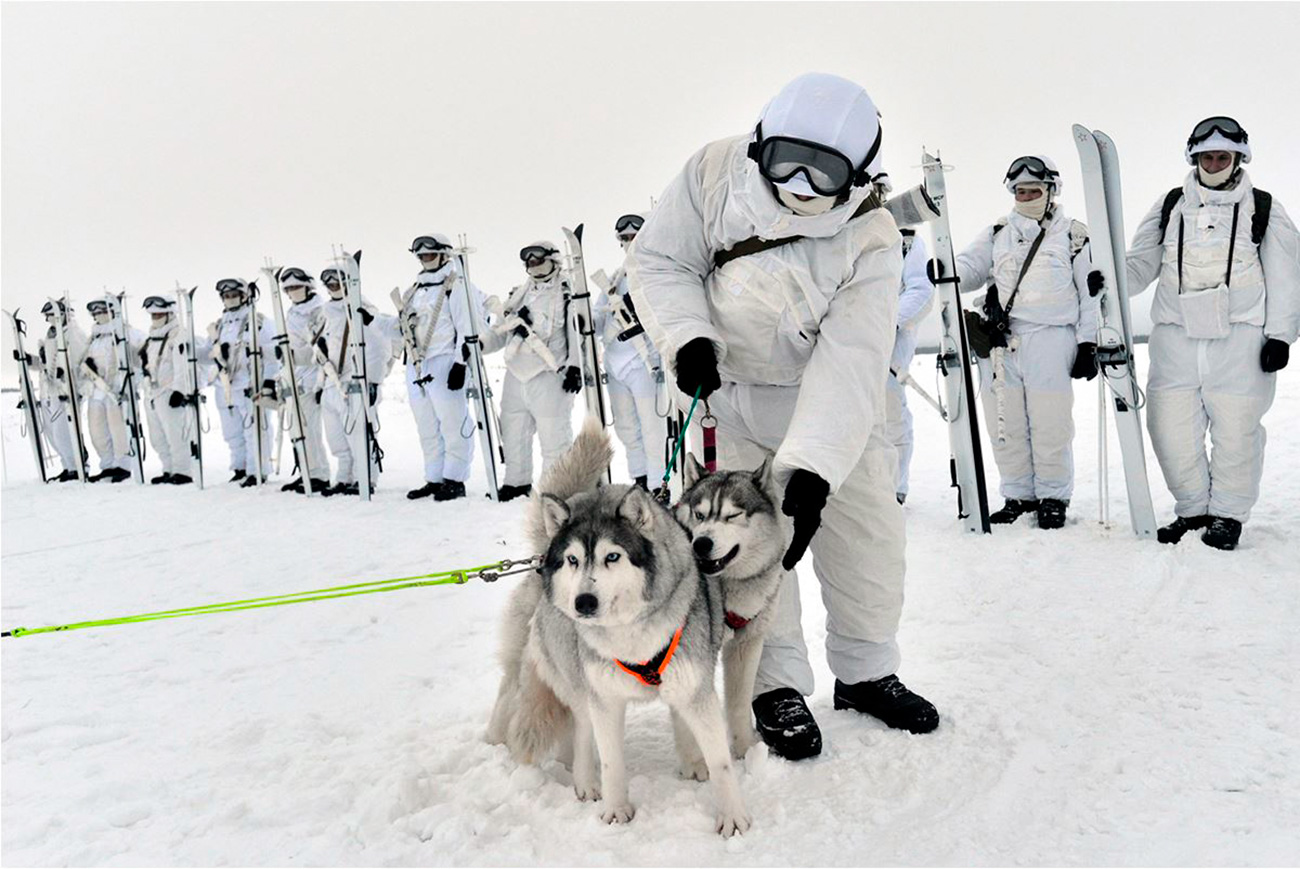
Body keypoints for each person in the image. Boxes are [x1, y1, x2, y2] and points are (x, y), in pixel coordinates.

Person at [626, 72, 939, 761]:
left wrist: (811, 471)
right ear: (760, 144)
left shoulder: (873, 238)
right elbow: (660, 258)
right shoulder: (712, 173)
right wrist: (687, 337)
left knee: (868, 539)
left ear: (858, 175)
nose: (800, 182)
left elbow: (852, 357)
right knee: (748, 554)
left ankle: (866, 670)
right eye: (786, 160)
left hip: (829, 404)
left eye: (824, 170)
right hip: (726, 398)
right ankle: (775, 684)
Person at [1125, 116, 1299, 550]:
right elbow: (1140, 263)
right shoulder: (1170, 205)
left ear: (1239, 158)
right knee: (1168, 427)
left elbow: (1287, 275)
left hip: (1240, 338)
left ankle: (1227, 516)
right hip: (1176, 336)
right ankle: (1193, 509)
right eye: (1207, 156)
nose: (1215, 162)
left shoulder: (1263, 206)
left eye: (1223, 156)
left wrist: (1280, 335)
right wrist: (1105, 275)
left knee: (1236, 430)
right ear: (1194, 156)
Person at [951, 155, 1100, 529]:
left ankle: (1053, 496)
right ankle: (1018, 494)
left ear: (1051, 191)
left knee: (1050, 421)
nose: (1026, 195)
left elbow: (1090, 293)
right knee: (1005, 422)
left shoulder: (1073, 234)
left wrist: (1088, 343)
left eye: (1034, 189)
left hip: (1051, 337)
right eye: (1020, 190)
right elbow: (970, 268)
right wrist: (945, 270)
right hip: (1003, 342)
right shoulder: (998, 232)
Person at [481, 241, 581, 502]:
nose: (533, 264)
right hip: (516, 374)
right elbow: (500, 331)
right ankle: (516, 482)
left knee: (554, 437)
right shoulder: (519, 295)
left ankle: (554, 489)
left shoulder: (568, 292)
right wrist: (479, 345)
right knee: (513, 431)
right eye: (529, 261)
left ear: (553, 259)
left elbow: (578, 333)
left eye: (538, 259)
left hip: (550, 375)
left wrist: (576, 366)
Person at [398, 234, 488, 502]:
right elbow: (401, 327)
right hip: (418, 363)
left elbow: (468, 326)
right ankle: (434, 477)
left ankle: (455, 478)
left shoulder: (457, 285)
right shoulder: (414, 290)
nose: (426, 258)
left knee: (452, 421)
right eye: (421, 255)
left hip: (446, 360)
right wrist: (370, 322)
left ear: (444, 254)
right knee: (426, 425)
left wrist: (461, 365)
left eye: (430, 254)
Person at [593, 212, 668, 489]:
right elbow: (598, 321)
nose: (628, 241)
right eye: (624, 238)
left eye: (633, 236)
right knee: (625, 427)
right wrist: (582, 320)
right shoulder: (615, 278)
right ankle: (640, 476)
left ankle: (659, 481)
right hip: (615, 365)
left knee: (652, 427)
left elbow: (667, 313)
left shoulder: (658, 271)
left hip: (646, 364)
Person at [315, 265, 391, 496]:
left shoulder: (363, 310)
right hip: (331, 383)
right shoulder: (325, 312)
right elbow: (321, 353)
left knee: (358, 434)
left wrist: (374, 381)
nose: (332, 285)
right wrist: (320, 384)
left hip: (356, 381)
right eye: (328, 281)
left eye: (337, 280)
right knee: (336, 438)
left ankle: (364, 478)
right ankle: (344, 477)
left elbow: (380, 348)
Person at [202, 278, 278, 486]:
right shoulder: (219, 326)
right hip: (225, 386)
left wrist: (269, 382)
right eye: (226, 296)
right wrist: (188, 351)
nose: (230, 299)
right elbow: (208, 354)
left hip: (250, 385)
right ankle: (240, 467)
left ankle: (257, 471)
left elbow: (272, 354)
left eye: (234, 295)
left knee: (256, 430)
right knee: (232, 432)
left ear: (245, 296)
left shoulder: (258, 322)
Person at [886, 229, 935, 504]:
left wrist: (889, 322)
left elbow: (921, 290)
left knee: (890, 413)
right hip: (845, 338)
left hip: (891, 341)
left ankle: (894, 488)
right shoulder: (839, 229)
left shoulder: (906, 243)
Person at [275, 268, 332, 495]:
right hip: (293, 374)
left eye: (296, 287)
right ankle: (306, 471)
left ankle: (319, 474)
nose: (292, 292)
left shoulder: (319, 310)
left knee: (310, 428)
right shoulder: (291, 312)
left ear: (308, 287)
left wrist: (321, 381)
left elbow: (320, 347)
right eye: (288, 289)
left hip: (312, 373)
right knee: (296, 429)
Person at [78, 299, 138, 482]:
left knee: (118, 428)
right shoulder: (93, 338)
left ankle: (123, 465)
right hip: (97, 389)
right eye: (95, 313)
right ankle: (108, 464)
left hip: (116, 389)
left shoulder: (124, 332)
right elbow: (81, 361)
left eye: (102, 311)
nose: (98, 315)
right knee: (97, 430)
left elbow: (140, 354)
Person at [139, 295, 195, 484]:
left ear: (170, 313)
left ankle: (183, 470)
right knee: (157, 436)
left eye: (160, 313)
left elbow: (182, 365)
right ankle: (168, 468)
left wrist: (180, 390)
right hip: (152, 393)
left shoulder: (178, 334)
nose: (156, 317)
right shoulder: (152, 338)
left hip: (169, 391)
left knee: (175, 434)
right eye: (153, 314)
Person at [35, 299, 88, 481]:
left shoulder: (73, 333)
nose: (48, 320)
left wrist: (67, 373)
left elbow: (81, 360)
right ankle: (68, 465)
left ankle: (78, 465)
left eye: (50, 316)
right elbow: (47, 364)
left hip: (68, 390)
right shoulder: (51, 336)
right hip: (52, 391)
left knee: (65, 431)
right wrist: (30, 360)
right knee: (55, 433)